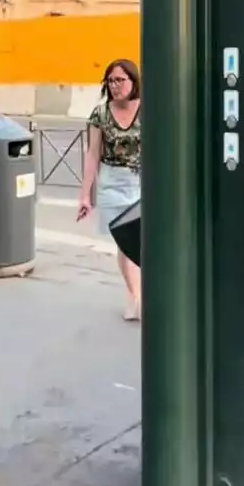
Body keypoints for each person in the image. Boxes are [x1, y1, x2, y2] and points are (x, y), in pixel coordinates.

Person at [77, 59, 143, 321]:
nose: (115, 86)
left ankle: (140, 294)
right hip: (112, 182)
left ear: (133, 81)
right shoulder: (101, 114)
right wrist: (85, 194)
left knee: (143, 240)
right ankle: (135, 294)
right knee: (125, 243)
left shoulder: (148, 109)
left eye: (120, 80)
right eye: (111, 81)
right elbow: (92, 154)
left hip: (141, 181)